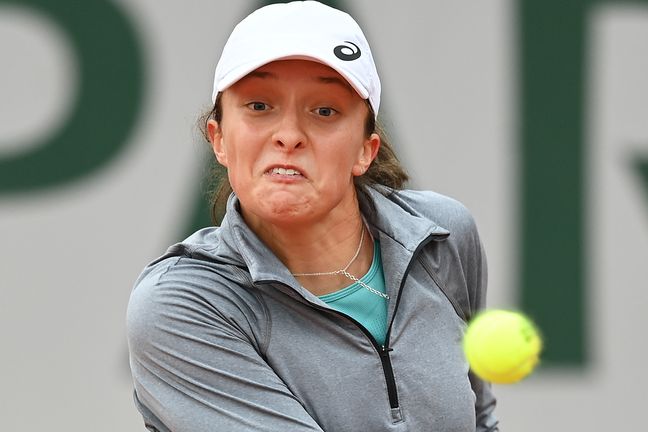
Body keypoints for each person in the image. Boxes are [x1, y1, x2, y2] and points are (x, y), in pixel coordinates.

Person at [126, 2, 499, 431]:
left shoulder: (444, 237)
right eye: (259, 106)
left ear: (366, 149)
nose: (288, 135)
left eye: (324, 111)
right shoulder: (182, 304)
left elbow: (478, 418)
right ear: (220, 139)